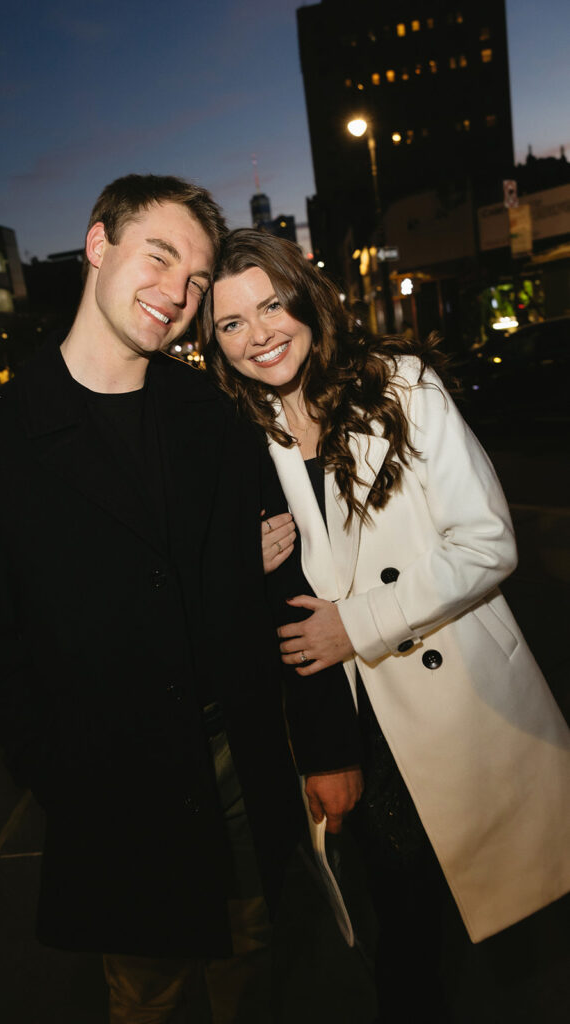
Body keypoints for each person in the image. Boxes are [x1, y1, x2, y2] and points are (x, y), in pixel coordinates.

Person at [0, 177, 356, 1023]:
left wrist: (324, 743)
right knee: (145, 990)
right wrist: (54, 764)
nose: (178, 294)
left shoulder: (215, 416)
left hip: (238, 764)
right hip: (113, 785)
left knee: (251, 965)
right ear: (96, 245)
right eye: (159, 258)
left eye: (196, 282)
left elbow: (286, 590)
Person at [202, 228, 570, 1022]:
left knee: (487, 924)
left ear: (304, 296)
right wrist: (240, 561)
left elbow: (488, 542)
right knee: (399, 930)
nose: (259, 334)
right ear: (213, 341)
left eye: (270, 304)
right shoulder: (237, 438)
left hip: (462, 703)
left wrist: (358, 623)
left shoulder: (397, 384)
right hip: (357, 721)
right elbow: (276, 618)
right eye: (231, 323)